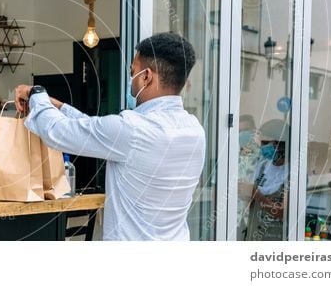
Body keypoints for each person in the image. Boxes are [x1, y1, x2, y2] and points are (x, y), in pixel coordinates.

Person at [14, 32, 205, 241]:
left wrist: (37, 94)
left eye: (133, 72)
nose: (131, 79)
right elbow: (95, 131)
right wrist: (58, 106)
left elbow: (57, 132)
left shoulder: (132, 129)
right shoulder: (195, 131)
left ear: (146, 77)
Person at [244, 119, 290, 241]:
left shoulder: (294, 174)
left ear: (280, 144)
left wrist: (254, 193)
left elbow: (283, 213)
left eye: (265, 143)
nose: (262, 147)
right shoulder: (263, 166)